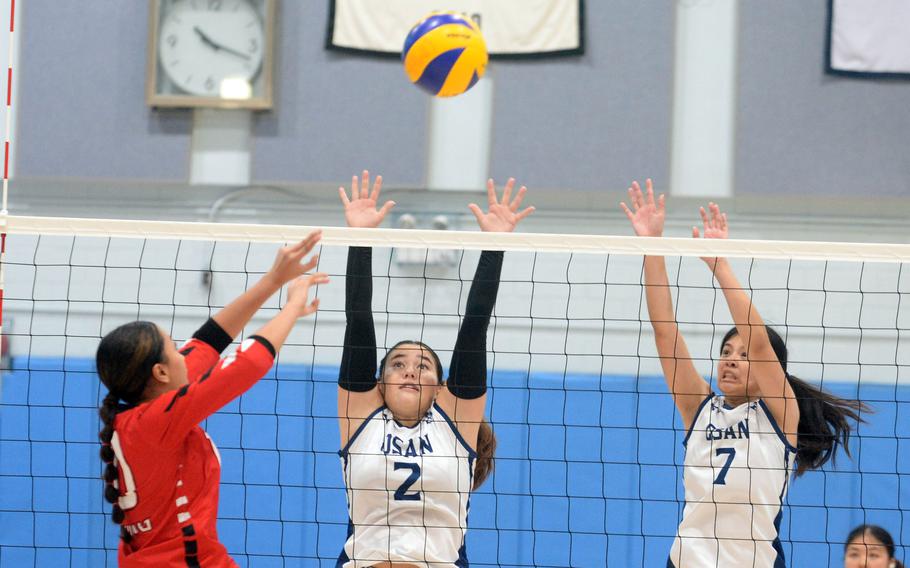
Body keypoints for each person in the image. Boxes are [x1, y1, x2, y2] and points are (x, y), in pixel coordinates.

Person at [620, 180, 869, 568]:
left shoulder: (781, 414)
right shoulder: (700, 409)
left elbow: (760, 343)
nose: (731, 360)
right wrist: (653, 246)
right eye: (725, 352)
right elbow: (664, 330)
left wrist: (720, 266)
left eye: (742, 354)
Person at [335, 171, 534, 567]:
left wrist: (494, 245)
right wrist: (361, 238)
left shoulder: (455, 423)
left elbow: (475, 326)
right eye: (397, 364)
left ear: (442, 388)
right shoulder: (361, 418)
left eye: (423, 366)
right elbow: (358, 320)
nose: (409, 371)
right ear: (379, 385)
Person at [97, 232, 328, 567]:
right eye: (175, 348)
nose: (183, 352)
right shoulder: (157, 419)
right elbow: (246, 364)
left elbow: (207, 342)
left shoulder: (140, 413)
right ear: (160, 373)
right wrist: (292, 307)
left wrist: (274, 280)